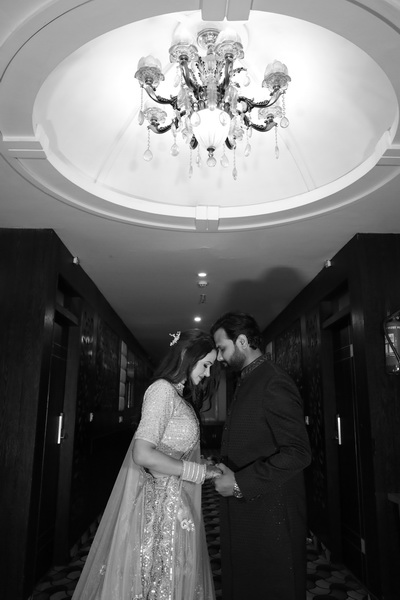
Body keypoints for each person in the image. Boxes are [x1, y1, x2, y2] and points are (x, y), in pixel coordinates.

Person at [72, 329, 222, 600]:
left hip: (173, 502)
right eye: (206, 365)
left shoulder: (176, 395)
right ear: (186, 356)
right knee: (156, 579)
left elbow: (170, 450)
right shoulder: (162, 390)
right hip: (159, 506)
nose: (208, 373)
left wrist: (202, 463)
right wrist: (198, 471)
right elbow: (142, 453)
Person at [210, 312, 312, 600]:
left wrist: (239, 483)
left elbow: (298, 453)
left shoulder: (273, 381)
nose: (219, 357)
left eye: (222, 348)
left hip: (271, 516)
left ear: (242, 341)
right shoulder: (249, 378)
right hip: (251, 514)